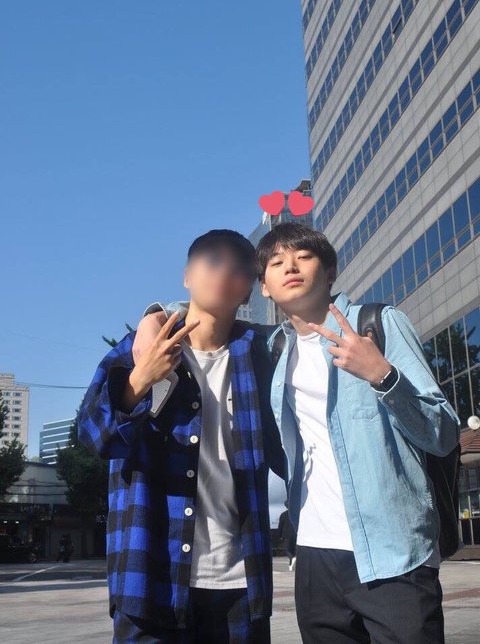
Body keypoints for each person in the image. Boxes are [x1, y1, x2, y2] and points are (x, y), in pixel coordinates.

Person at [136, 222, 460, 644]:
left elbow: (443, 432)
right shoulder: (273, 348)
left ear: (329, 273)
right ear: (263, 287)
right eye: (275, 262)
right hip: (312, 556)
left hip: (392, 552)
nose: (290, 267)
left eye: (304, 257)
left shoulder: (377, 324)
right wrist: (155, 316)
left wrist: (382, 375)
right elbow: (207, 310)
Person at [77, 229, 285, 644]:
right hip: (151, 575)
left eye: (239, 268)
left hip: (240, 582)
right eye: (213, 261)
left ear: (248, 289)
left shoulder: (262, 354)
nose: (224, 272)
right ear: (187, 276)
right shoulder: (139, 348)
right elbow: (93, 436)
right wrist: (140, 379)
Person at [277, 505, 297, 572]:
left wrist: (279, 535)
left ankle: (291, 559)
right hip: (296, 534)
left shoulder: (283, 514)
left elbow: (280, 526)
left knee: (288, 550)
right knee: (295, 549)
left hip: (286, 535)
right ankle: (293, 559)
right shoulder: (298, 514)